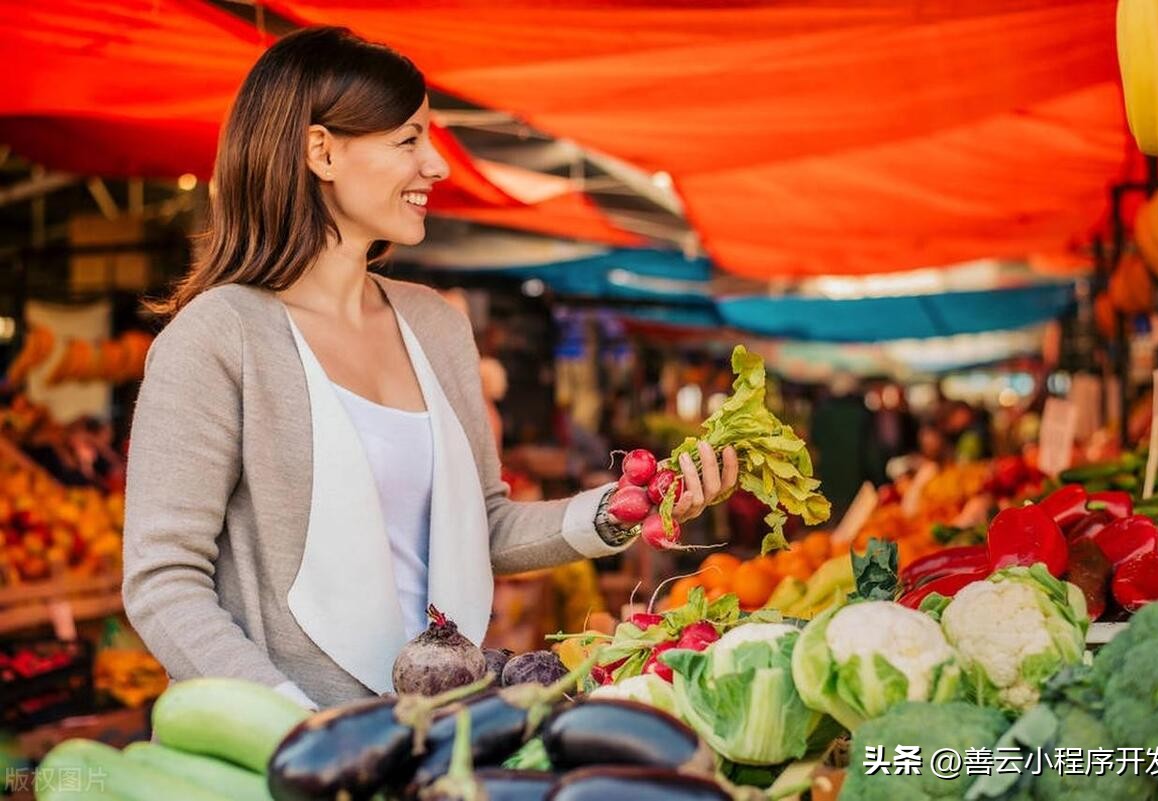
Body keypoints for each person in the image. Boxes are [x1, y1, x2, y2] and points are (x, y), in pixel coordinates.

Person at [120, 27, 736, 711]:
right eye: (408, 140)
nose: (437, 166)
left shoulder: (435, 325)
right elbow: (164, 582)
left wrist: (629, 505)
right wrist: (294, 723)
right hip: (284, 758)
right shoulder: (217, 336)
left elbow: (485, 524)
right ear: (321, 151)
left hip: (440, 729)